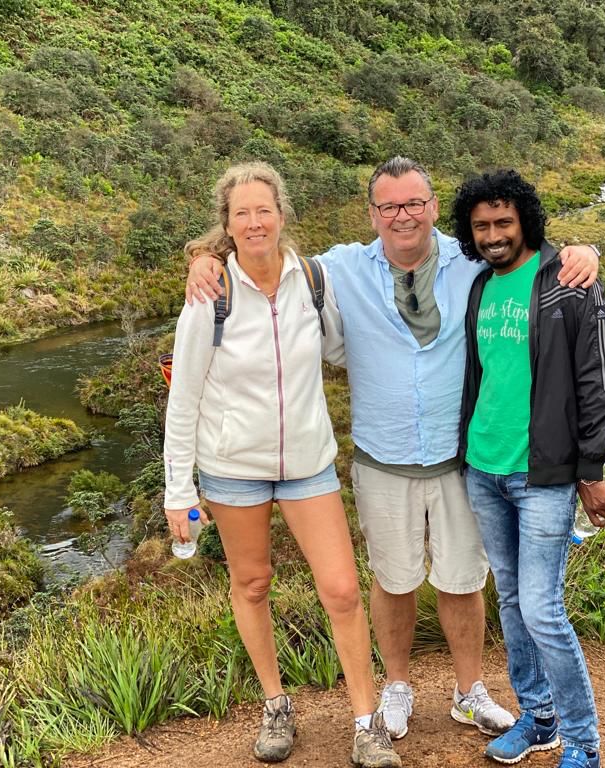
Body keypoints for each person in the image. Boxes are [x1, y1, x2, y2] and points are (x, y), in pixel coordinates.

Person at [185, 157, 600, 744]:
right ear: (372, 214)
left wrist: (584, 252)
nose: (402, 216)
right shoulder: (339, 269)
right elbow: (264, 258)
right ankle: (397, 687)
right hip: (382, 458)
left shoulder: (469, 261)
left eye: (414, 204)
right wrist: (203, 261)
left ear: (434, 207)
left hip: (461, 458)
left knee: (463, 578)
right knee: (392, 579)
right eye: (389, 207)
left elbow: (528, 256)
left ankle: (468, 691)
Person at [164, 161, 401, 768]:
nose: (254, 222)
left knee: (343, 590)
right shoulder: (208, 296)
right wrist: (177, 488)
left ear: (281, 214)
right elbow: (184, 396)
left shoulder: (312, 282)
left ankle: (366, 720)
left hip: (307, 464)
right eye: (241, 213)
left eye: (262, 210)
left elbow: (346, 351)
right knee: (252, 583)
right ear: (228, 224)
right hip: (231, 468)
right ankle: (276, 703)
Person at [453, 169, 605, 768]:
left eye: (503, 222)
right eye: (481, 226)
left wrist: (591, 467)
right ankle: (540, 718)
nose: (493, 235)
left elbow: (601, 382)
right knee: (510, 599)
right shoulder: (479, 286)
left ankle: (583, 741)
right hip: (482, 468)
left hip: (543, 474)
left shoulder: (568, 282)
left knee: (542, 608)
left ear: (525, 219)